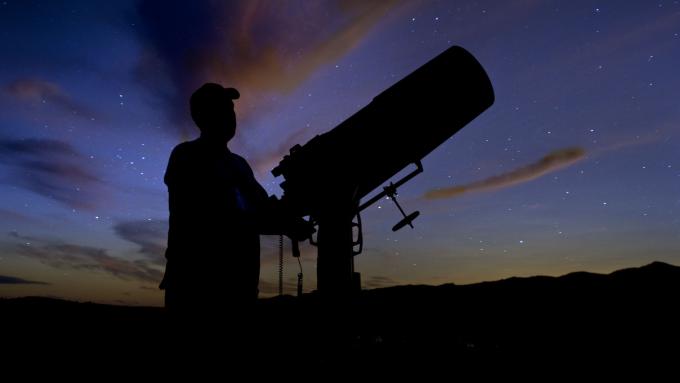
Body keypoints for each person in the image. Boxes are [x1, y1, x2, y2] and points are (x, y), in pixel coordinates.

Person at [160, 83, 310, 320]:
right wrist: (283, 223)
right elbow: (213, 219)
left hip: (240, 289)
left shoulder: (239, 164)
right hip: (195, 289)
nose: (231, 116)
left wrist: (288, 220)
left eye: (231, 110)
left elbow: (262, 207)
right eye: (222, 109)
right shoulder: (186, 156)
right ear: (201, 116)